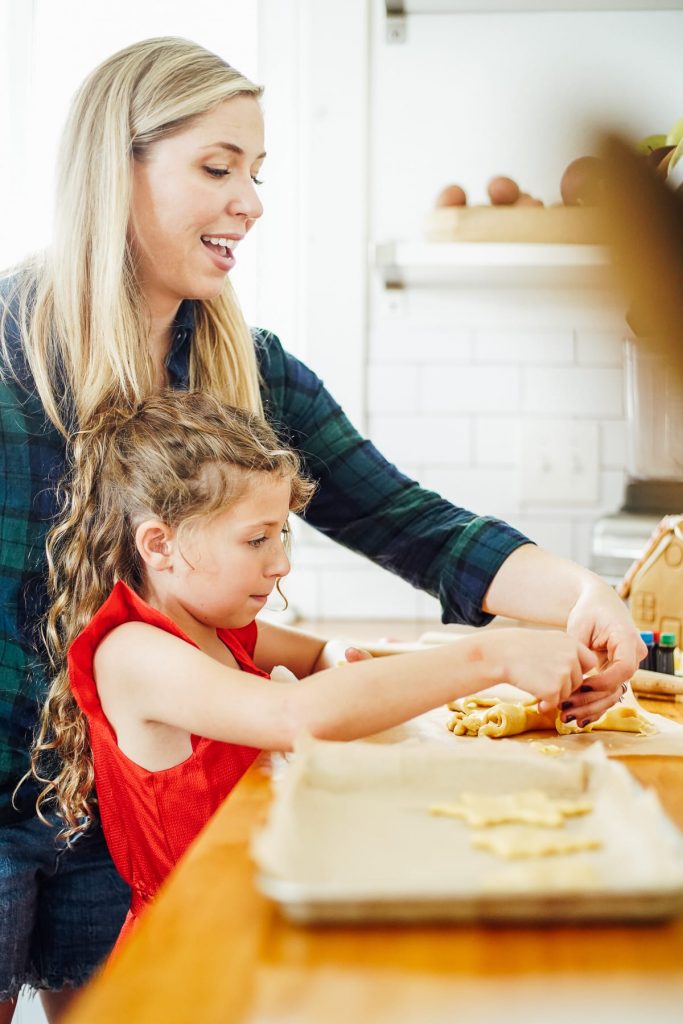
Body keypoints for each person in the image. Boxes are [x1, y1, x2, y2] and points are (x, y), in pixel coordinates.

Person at [0, 35, 643, 1019]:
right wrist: (487, 659)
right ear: (113, 167)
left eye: (254, 174)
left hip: (130, 813)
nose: (249, 201)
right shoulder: (8, 349)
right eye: (217, 168)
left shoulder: (252, 375)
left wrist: (585, 596)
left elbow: (417, 526)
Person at [28, 389, 605, 956]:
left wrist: (332, 659)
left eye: (280, 535)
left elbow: (316, 653)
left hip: (258, 912)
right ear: (160, 544)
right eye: (256, 539)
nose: (279, 563)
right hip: (194, 940)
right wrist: (492, 656)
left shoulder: (219, 626)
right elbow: (294, 715)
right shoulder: (133, 651)